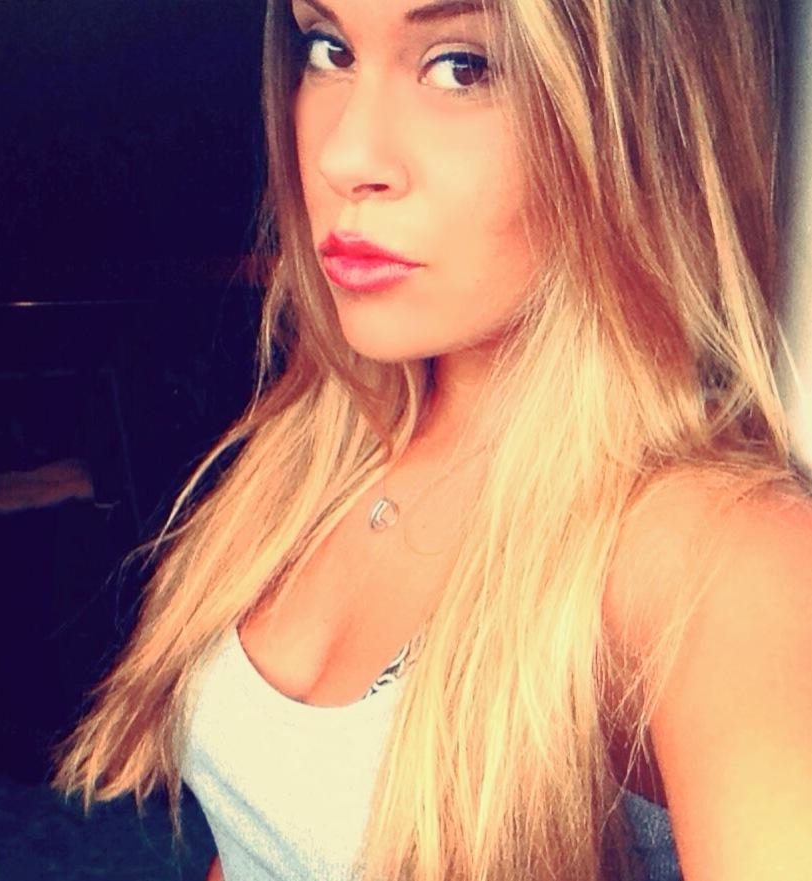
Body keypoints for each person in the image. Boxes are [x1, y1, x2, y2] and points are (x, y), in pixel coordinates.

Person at [54, 1, 812, 879]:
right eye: (328, 48)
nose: (343, 156)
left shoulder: (723, 558)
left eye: (462, 66)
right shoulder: (323, 438)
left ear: (643, 114)